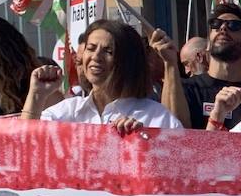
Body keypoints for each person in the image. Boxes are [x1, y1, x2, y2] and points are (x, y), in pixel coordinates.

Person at [23, 19, 183, 135]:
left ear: (128, 62)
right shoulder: (68, 112)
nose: (96, 57)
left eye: (108, 51)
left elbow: (177, 166)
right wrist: (36, 96)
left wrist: (143, 142)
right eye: (91, 48)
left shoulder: (157, 117)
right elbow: (22, 146)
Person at [181, 3, 241, 130]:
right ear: (207, 44)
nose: (223, 28)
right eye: (216, 24)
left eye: (234, 26)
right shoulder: (187, 89)